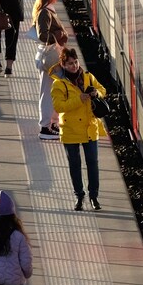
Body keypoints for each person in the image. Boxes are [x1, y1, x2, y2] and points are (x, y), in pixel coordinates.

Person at [51, 48, 107, 211]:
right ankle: (79, 195)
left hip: (90, 128)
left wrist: (97, 93)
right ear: (63, 65)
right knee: (74, 164)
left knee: (93, 163)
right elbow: (58, 106)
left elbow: (103, 90)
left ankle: (94, 196)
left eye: (75, 62)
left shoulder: (88, 77)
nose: (74, 66)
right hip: (70, 130)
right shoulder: (58, 84)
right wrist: (79, 99)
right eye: (70, 64)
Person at [32, 0, 68, 140]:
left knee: (54, 92)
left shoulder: (48, 11)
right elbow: (42, 35)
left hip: (51, 57)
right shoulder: (44, 13)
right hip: (49, 58)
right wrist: (58, 36)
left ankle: (52, 123)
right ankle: (44, 127)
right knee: (47, 93)